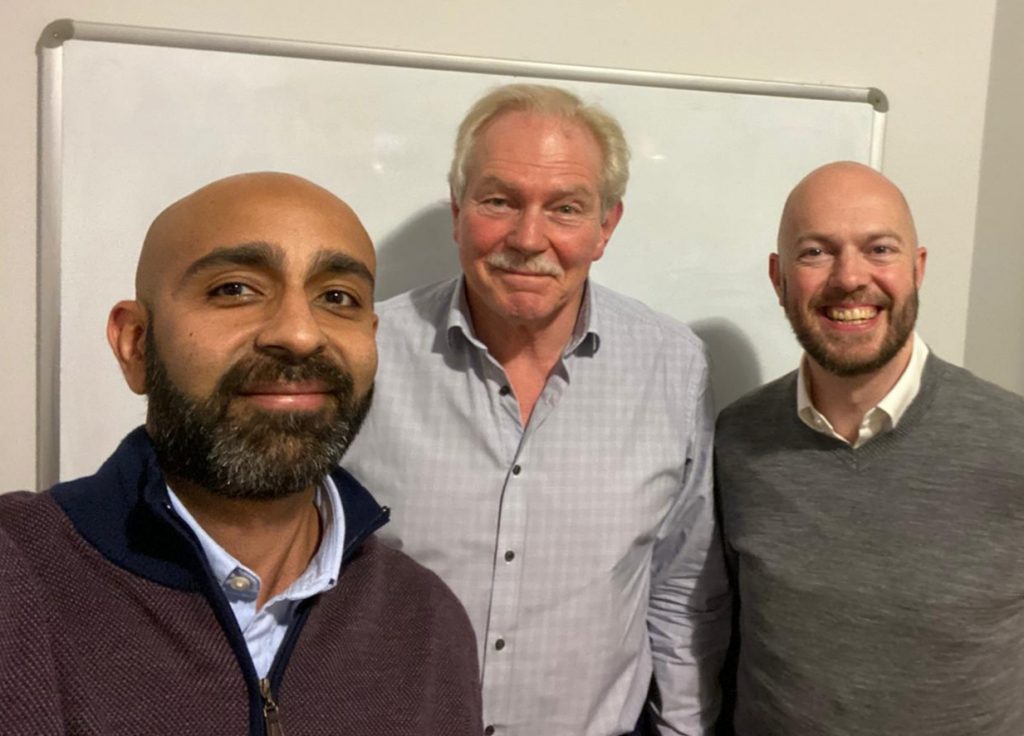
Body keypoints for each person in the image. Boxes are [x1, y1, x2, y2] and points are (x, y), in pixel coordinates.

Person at [0, 172, 481, 735]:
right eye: (235, 289)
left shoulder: (425, 621)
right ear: (134, 343)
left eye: (337, 298)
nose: (301, 334)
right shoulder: (16, 579)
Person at [343, 84, 732, 735]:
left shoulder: (673, 368)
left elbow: (682, 586)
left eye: (566, 208)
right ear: (458, 211)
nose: (529, 237)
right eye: (499, 201)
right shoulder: (364, 355)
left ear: (606, 227)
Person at [715, 161, 1024, 735]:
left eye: (879, 249)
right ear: (778, 277)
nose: (850, 278)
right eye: (815, 252)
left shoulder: (1014, 442)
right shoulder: (736, 444)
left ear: (918, 268)